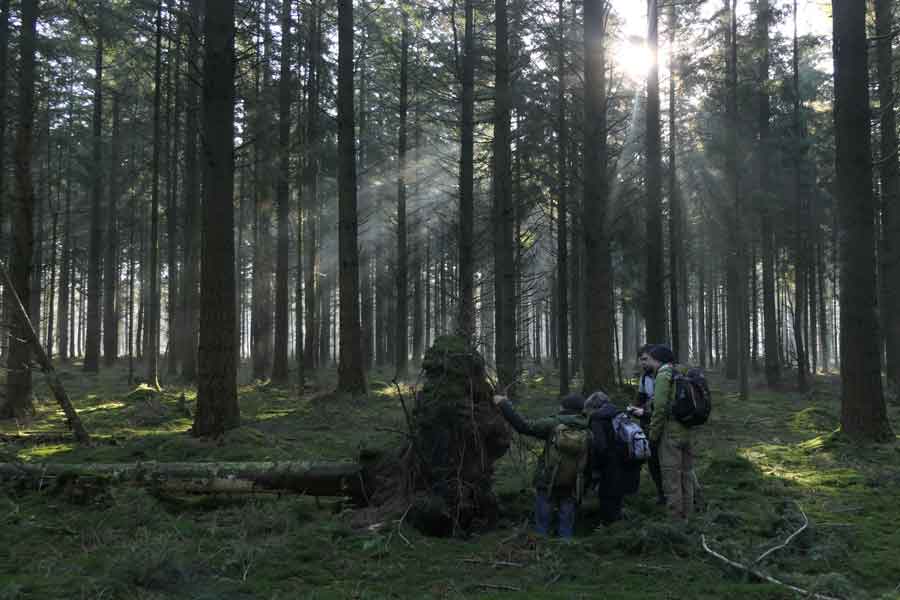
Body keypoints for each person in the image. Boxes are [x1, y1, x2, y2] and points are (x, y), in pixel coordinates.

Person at [492, 392, 588, 538]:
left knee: (542, 522)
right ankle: (566, 550)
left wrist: (504, 404)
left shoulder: (553, 423)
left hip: (548, 479)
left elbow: (524, 426)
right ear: (582, 409)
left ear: (563, 407)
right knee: (566, 523)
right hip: (574, 482)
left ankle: (540, 546)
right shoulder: (587, 428)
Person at [644, 344, 694, 520]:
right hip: (686, 430)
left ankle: (675, 521)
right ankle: (689, 516)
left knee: (671, 478)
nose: (648, 363)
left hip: (670, 433)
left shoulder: (664, 374)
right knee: (686, 475)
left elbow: (659, 408)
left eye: (650, 359)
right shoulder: (682, 372)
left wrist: (653, 435)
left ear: (658, 359)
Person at [584, 391, 641, 524]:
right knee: (617, 501)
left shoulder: (597, 418)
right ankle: (619, 530)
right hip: (628, 464)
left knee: (607, 503)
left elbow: (600, 447)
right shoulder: (621, 414)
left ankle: (610, 533)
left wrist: (594, 469)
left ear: (594, 406)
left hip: (610, 468)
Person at [632, 344, 665, 505]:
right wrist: (634, 409)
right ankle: (661, 494)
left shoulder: (665, 376)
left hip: (664, 425)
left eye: (645, 359)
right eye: (641, 360)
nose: (643, 363)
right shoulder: (645, 377)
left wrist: (644, 413)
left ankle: (685, 496)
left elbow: (664, 407)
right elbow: (641, 398)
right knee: (653, 461)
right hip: (648, 423)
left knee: (670, 461)